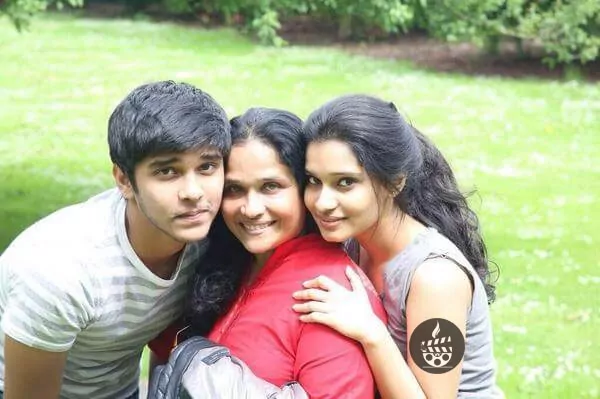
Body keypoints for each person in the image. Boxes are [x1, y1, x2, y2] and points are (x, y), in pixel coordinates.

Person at [0, 81, 230, 399]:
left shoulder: (209, 233)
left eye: (207, 167)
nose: (193, 193)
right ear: (124, 180)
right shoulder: (60, 269)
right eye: (167, 172)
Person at [292, 94, 502, 398]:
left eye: (346, 182)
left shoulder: (435, 278)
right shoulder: (352, 242)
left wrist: (371, 331)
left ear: (395, 182)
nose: (322, 202)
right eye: (314, 180)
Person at [186, 107, 387, 399]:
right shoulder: (231, 262)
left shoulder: (327, 293)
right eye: (234, 189)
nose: (250, 209)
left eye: (271, 187)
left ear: (305, 189)